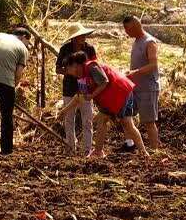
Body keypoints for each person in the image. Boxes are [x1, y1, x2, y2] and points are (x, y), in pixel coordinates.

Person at [64, 52, 149, 158]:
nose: (69, 73)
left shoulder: (92, 67)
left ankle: (143, 152)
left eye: (68, 69)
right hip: (112, 98)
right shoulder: (82, 78)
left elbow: (104, 82)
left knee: (125, 123)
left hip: (120, 92)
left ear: (75, 65)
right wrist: (63, 112)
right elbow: (79, 97)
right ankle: (98, 152)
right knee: (105, 121)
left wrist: (92, 95)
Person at [56, 23, 97, 155]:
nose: (83, 37)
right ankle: (70, 147)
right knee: (69, 119)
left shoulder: (89, 49)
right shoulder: (65, 49)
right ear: (74, 37)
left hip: (86, 88)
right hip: (69, 87)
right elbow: (58, 68)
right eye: (81, 35)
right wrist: (70, 72)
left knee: (87, 120)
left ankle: (87, 149)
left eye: (84, 35)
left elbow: (95, 66)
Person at [123, 15, 161, 150]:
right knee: (126, 116)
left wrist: (135, 72)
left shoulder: (149, 42)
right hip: (135, 87)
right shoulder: (136, 41)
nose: (126, 33)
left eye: (128, 29)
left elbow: (153, 65)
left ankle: (155, 150)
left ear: (136, 26)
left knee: (149, 121)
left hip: (148, 88)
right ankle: (129, 144)